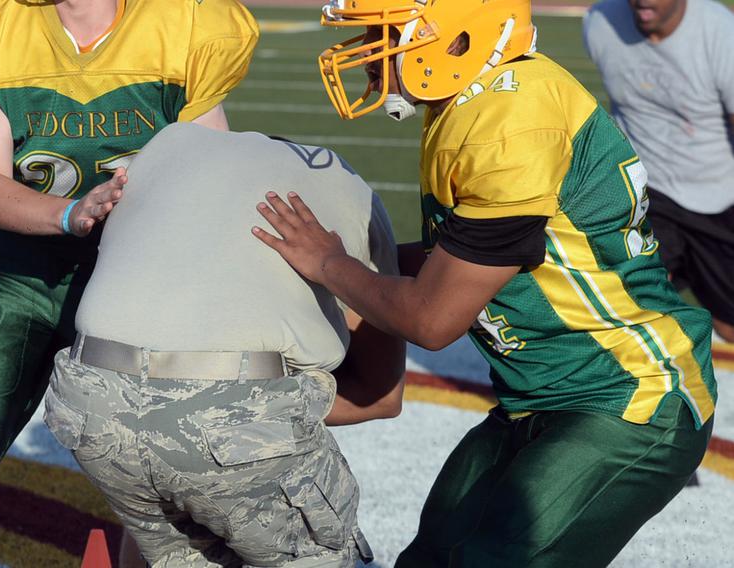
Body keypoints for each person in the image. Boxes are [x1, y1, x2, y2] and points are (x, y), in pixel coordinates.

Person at [252, 0, 718, 565]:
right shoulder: (478, 99)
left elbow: (432, 318)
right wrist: (327, 260)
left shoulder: (510, 119)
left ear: (453, 39)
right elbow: (452, 258)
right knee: (434, 558)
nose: (367, 54)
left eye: (384, 34)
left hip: (624, 396)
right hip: (541, 395)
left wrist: (329, 264)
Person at [0, 0, 258, 566]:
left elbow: (211, 175)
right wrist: (70, 214)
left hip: (143, 288)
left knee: (156, 497)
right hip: (29, 282)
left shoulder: (185, 24)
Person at [43, 122, 405, 566]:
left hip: (88, 404)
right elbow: (380, 396)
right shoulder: (349, 191)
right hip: (227, 418)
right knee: (320, 552)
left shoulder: (166, 146)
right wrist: (251, 411)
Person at [583, 0, 734, 343]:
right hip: (647, 191)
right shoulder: (599, 23)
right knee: (631, 305)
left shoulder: (722, 34)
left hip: (716, 197)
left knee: (728, 327)